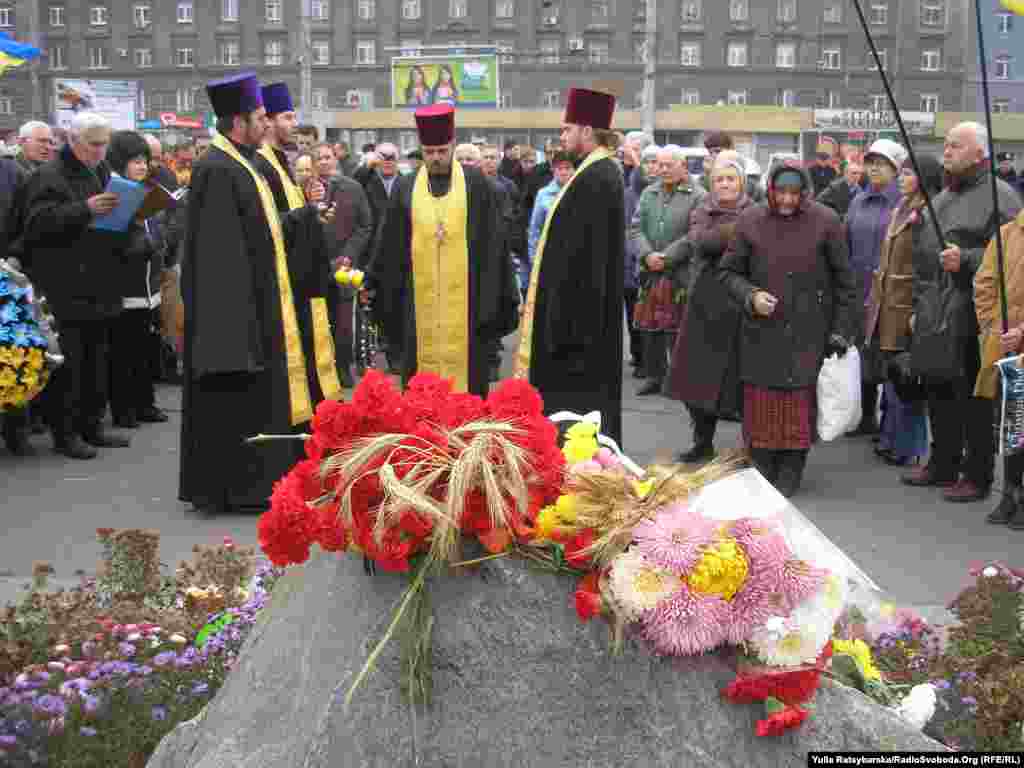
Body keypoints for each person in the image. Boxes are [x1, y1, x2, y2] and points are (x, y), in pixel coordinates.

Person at [179, 72, 329, 514]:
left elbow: (263, 237)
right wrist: (235, 333)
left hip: (259, 307)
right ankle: (235, 491)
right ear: (239, 121)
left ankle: (256, 485)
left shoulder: (241, 163)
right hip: (236, 320)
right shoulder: (217, 168)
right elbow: (218, 260)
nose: (266, 123)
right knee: (235, 410)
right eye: (261, 116)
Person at [719, 164, 856, 497]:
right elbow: (727, 273)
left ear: (805, 193)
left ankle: (792, 469)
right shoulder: (751, 220)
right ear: (770, 190)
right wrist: (750, 296)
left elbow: (845, 283)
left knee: (797, 408)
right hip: (762, 331)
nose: (786, 200)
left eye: (794, 194)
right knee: (762, 408)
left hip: (809, 330)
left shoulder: (826, 220)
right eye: (780, 192)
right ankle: (761, 465)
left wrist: (840, 329)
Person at [903, 122, 1022, 502]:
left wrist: (966, 259)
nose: (947, 151)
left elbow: (1012, 257)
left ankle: (977, 473)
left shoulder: (1001, 196)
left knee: (973, 394)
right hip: (934, 306)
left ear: (979, 154)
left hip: (975, 310)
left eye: (956, 145)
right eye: (946, 145)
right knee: (938, 387)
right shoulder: (939, 199)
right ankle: (943, 462)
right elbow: (922, 259)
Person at [368, 104, 518, 396]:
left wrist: (491, 304)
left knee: (468, 395)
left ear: (451, 146)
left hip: (467, 309)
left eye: (442, 151)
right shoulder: (406, 187)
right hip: (418, 309)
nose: (436, 158)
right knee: (419, 397)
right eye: (429, 152)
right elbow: (390, 246)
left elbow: (493, 247)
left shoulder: (476, 185)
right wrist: (376, 283)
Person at [515, 88, 626, 444]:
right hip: (576, 318)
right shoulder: (591, 172)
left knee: (577, 411)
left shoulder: (598, 177)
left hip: (579, 325)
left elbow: (584, 261)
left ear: (587, 131)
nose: (563, 137)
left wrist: (560, 319)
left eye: (567, 129)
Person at [21, 111, 131, 459]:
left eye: (104, 145)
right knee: (71, 364)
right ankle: (65, 433)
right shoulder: (49, 175)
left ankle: (92, 425)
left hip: (98, 279)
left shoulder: (98, 170)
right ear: (72, 141)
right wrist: (84, 209)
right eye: (94, 145)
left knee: (97, 359)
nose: (100, 152)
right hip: (64, 283)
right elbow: (37, 225)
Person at [253, 82, 341, 405]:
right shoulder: (263, 164)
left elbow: (291, 215)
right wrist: (307, 212)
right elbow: (271, 222)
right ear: (270, 121)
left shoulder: (282, 160)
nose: (293, 124)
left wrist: (312, 213)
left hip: (304, 276)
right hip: (288, 280)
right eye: (287, 117)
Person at [667, 156, 756, 463]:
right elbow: (701, 241)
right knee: (696, 378)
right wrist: (737, 233)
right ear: (711, 183)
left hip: (741, 299)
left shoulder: (755, 210)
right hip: (705, 301)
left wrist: (727, 236)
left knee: (742, 380)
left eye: (731, 178)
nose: (725, 184)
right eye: (720, 179)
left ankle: (751, 446)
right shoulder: (703, 209)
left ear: (742, 182)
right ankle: (702, 441)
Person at [865, 154, 943, 468]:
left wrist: (917, 309)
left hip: (908, 308)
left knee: (906, 380)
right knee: (890, 376)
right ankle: (890, 438)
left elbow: (928, 268)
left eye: (908, 172)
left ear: (923, 177)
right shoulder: (901, 208)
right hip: (886, 306)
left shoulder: (927, 213)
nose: (901, 176)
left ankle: (908, 447)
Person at [630, 144, 705, 397]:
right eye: (659, 165)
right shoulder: (649, 192)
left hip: (680, 273)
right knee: (651, 328)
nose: (663, 170)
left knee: (678, 330)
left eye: (668, 165)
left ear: (683, 166)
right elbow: (635, 229)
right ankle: (654, 376)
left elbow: (695, 234)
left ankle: (680, 380)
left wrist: (667, 257)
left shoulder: (698, 195)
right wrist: (647, 254)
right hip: (651, 272)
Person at [105, 130, 167, 429]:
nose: (142, 166)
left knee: (145, 352)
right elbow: (111, 243)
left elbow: (154, 232)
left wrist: (159, 240)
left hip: (149, 289)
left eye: (144, 160)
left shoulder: (145, 191)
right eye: (135, 161)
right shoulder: (115, 193)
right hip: (125, 289)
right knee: (124, 354)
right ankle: (124, 408)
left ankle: (145, 402)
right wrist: (144, 244)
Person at [845, 139, 906, 439]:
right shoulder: (857, 199)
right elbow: (845, 241)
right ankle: (868, 416)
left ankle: (890, 422)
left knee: (889, 353)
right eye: (870, 162)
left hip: (890, 293)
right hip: (859, 288)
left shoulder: (902, 202)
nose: (874, 168)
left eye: (881, 163)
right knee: (865, 352)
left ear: (896, 169)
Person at [975, 208, 1024, 527]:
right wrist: (994, 324)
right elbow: (985, 283)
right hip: (1006, 345)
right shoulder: (1006, 234)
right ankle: (1010, 493)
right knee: (1012, 423)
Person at [324, 157, 373, 386]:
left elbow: (365, 225)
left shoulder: (353, 188)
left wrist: (348, 255)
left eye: (328, 158)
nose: (324, 163)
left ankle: (343, 368)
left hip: (345, 264)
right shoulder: (301, 188)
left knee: (344, 322)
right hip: (314, 266)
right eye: (319, 158)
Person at [526, 151, 574, 286]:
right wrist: (535, 260)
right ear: (553, 170)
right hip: (550, 255)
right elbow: (535, 229)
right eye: (560, 168)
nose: (564, 172)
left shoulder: (580, 191)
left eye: (568, 168)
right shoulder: (544, 194)